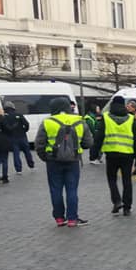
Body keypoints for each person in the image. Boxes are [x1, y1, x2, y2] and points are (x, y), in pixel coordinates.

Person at [34, 96, 92, 226]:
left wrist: (45, 157)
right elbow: (88, 143)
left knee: (55, 189)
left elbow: (39, 144)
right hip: (73, 161)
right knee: (72, 190)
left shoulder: (47, 122)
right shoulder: (80, 121)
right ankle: (72, 219)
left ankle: (59, 218)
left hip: (53, 161)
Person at [94, 95, 136, 215]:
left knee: (112, 179)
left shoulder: (106, 117)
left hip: (111, 153)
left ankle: (117, 200)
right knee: (127, 180)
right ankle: (127, 207)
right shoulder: (131, 118)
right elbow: (135, 138)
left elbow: (100, 136)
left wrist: (95, 152)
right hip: (127, 154)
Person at [3, 102, 34, 173]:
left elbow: (5, 128)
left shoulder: (5, 117)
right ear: (13, 107)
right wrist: (24, 130)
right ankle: (31, 165)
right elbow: (26, 124)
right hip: (22, 136)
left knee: (16, 154)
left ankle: (18, 169)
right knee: (27, 151)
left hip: (12, 138)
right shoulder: (19, 115)